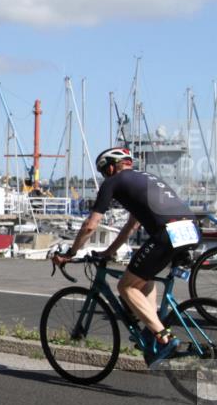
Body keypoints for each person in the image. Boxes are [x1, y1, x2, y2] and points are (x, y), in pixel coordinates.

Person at [53, 147, 199, 366]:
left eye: (104, 172)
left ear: (110, 167)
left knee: (126, 287)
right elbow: (131, 226)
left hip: (167, 233)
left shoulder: (113, 182)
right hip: (191, 228)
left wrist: (70, 253)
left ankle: (163, 336)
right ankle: (152, 332)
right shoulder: (145, 178)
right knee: (143, 279)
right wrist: (108, 253)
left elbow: (90, 225)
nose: (105, 176)